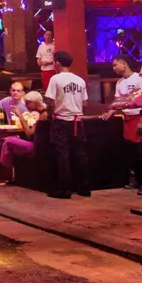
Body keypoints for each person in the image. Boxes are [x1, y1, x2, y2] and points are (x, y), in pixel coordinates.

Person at [44, 51, 90, 199]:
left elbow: (50, 101)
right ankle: (84, 188)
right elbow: (85, 103)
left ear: (57, 62)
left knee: (62, 155)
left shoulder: (55, 79)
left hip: (61, 120)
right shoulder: (80, 80)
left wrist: (50, 114)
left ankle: (65, 190)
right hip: (77, 120)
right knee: (80, 154)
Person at [110, 55, 142, 194]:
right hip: (127, 117)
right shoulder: (119, 83)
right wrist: (110, 111)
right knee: (131, 153)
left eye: (115, 65)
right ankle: (137, 180)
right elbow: (118, 102)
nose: (113, 68)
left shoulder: (141, 79)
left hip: (139, 116)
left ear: (124, 64)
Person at [0, 91, 48, 183]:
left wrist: (20, 115)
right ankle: (11, 173)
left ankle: (6, 173)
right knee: (11, 139)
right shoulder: (44, 112)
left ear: (34, 103)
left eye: (28, 103)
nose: (26, 106)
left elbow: (29, 133)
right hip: (39, 144)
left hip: (38, 147)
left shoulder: (43, 115)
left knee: (9, 141)